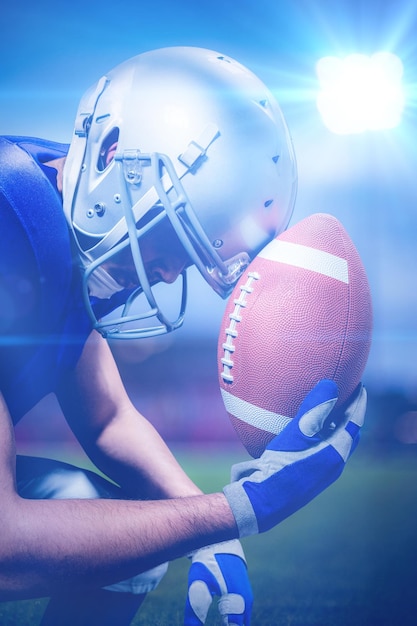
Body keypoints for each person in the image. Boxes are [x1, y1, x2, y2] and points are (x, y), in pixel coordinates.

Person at [0, 46, 367, 625]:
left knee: (118, 540)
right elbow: (5, 544)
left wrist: (208, 537)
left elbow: (107, 418)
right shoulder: (8, 221)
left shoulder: (61, 218)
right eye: (168, 236)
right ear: (115, 154)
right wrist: (237, 510)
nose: (169, 272)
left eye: (188, 257)